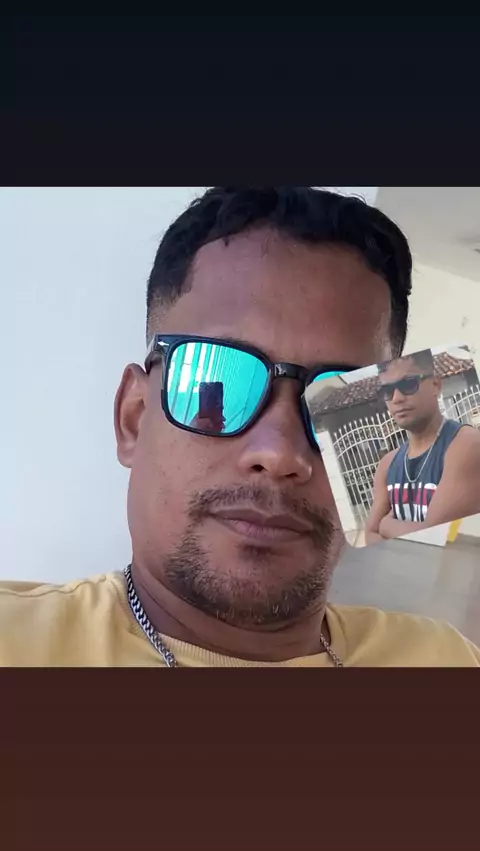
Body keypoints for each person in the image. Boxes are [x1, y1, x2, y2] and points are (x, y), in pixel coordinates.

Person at [1, 187, 479, 667]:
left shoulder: (446, 658)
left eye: (338, 400)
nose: (280, 454)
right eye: (218, 382)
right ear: (133, 418)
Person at [365, 349, 480, 545]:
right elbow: (370, 537)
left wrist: (386, 526)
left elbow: (435, 542)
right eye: (387, 391)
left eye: (408, 384)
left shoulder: (466, 446)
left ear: (435, 384)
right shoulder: (386, 465)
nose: (397, 398)